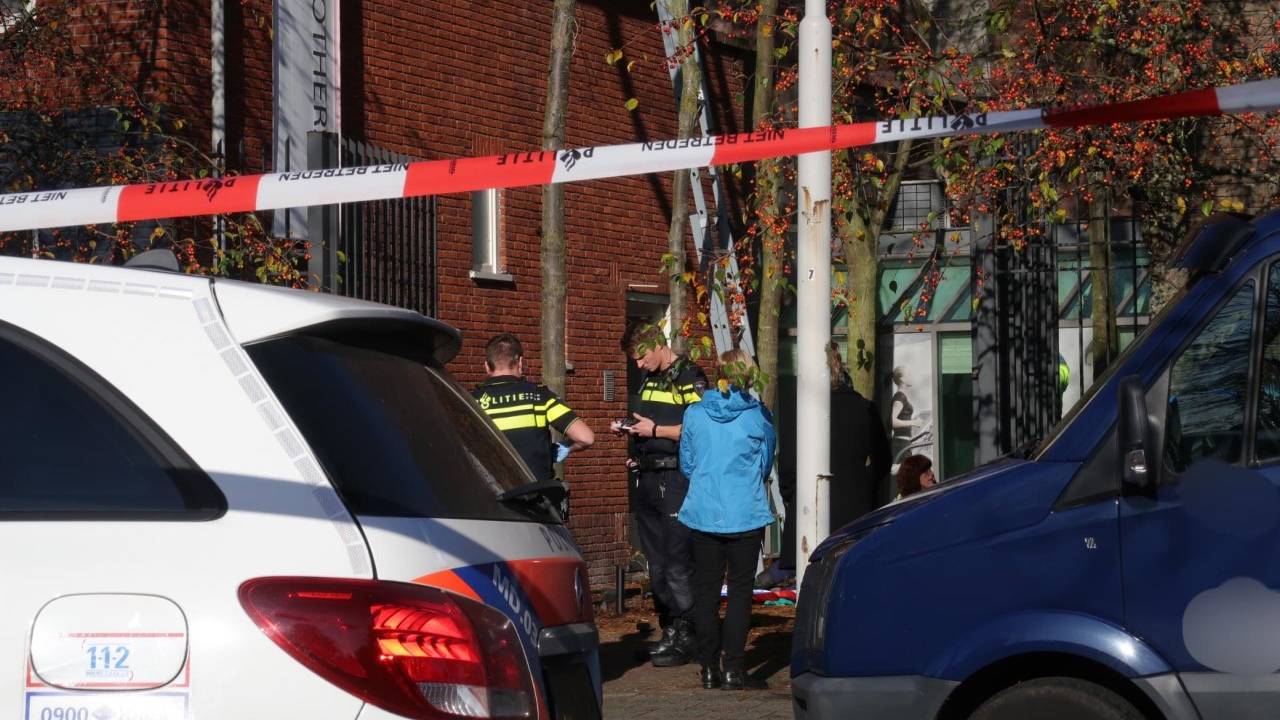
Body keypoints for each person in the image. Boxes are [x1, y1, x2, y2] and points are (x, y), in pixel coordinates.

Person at [679, 349, 776, 691]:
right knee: (740, 592)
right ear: (749, 376)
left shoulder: (694, 413)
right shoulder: (759, 415)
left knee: (705, 592)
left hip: (704, 512)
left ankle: (708, 668)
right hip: (744, 513)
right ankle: (734, 669)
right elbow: (765, 463)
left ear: (718, 373)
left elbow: (687, 464)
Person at [614, 320, 707, 668]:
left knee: (677, 559)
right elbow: (651, 424)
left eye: (641, 357)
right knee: (656, 562)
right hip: (649, 476)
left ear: (657, 343)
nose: (638, 365)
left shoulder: (688, 376)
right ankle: (670, 627)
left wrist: (655, 430)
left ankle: (690, 633)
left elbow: (701, 427)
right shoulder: (649, 378)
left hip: (675, 477)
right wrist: (634, 435)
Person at [762, 343, 892, 588]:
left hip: (810, 506)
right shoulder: (864, 409)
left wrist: (792, 496)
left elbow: (788, 464)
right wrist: (864, 487)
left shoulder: (802, 411)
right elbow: (883, 460)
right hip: (855, 510)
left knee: (814, 585)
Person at [473, 333, 594, 517]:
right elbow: (586, 437)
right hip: (536, 505)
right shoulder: (540, 397)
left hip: (492, 505)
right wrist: (563, 449)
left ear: (486, 366)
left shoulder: (472, 403)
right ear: (520, 363)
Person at [890, 365, 920, 459]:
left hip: (903, 444)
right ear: (902, 379)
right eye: (909, 374)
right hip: (900, 446)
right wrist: (913, 422)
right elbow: (892, 421)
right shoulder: (900, 397)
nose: (911, 376)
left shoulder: (901, 397)